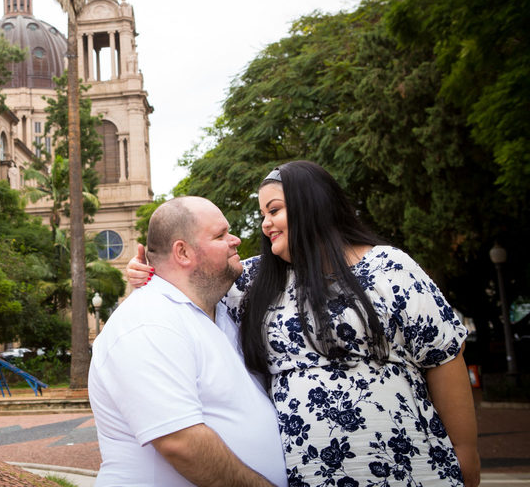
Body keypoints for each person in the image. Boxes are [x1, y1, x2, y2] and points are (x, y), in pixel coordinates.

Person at [127, 161, 479, 486]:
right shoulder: (251, 281)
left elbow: (444, 356)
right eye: (263, 214)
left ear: (311, 205)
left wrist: (465, 456)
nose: (265, 224)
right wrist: (147, 272)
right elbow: (191, 279)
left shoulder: (389, 267)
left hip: (414, 470)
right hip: (309, 478)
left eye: (274, 210)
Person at [90, 196, 287, 487]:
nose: (235, 240)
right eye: (220, 235)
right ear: (182, 252)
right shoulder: (148, 321)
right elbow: (180, 443)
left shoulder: (222, 309)